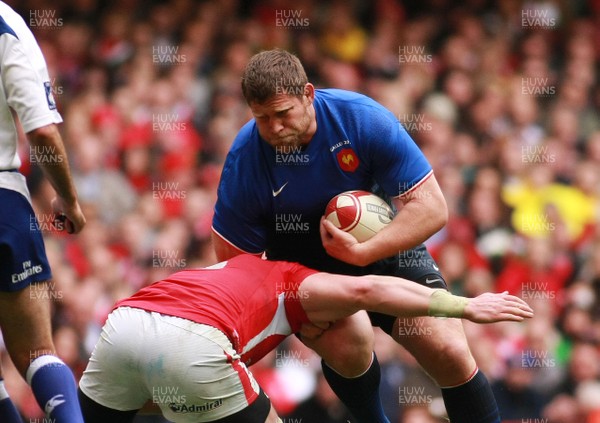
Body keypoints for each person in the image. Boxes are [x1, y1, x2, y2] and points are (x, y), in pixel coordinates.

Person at [211, 48, 502, 422]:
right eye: (262, 118)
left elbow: (432, 208)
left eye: (283, 114)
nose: (274, 128)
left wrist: (366, 252)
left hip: (383, 246)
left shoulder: (360, 119)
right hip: (305, 272)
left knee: (449, 351)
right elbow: (235, 263)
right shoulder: (245, 160)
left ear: (308, 94)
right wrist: (285, 307)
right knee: (352, 344)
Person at [77, 254, 533, 423]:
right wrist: (463, 306)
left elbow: (160, 390)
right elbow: (368, 290)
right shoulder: (296, 280)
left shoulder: (237, 266)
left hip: (123, 325)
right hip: (192, 340)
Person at [0, 2, 86, 422]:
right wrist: (68, 198)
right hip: (4, 202)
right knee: (38, 353)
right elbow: (40, 129)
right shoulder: (6, 24)